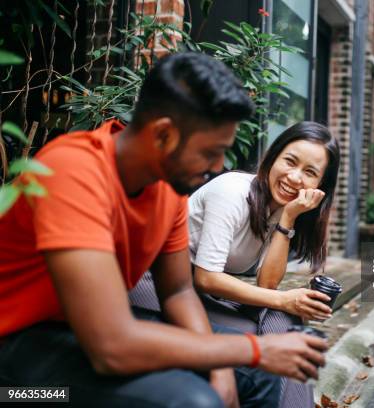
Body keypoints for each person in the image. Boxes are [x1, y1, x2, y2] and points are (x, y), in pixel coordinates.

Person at [0, 53, 327, 407]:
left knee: (260, 374)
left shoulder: (168, 188)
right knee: (191, 400)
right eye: (210, 152)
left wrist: (221, 364)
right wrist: (252, 348)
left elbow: (178, 292)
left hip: (88, 330)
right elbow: (111, 347)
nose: (218, 166)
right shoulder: (73, 172)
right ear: (163, 135)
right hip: (19, 352)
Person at [130, 121, 340, 407]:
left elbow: (267, 285)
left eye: (310, 172)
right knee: (274, 324)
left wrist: (288, 219)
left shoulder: (283, 208)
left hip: (192, 293)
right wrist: (285, 300)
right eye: (290, 161)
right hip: (155, 286)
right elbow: (207, 278)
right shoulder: (232, 192)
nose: (294, 177)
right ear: (273, 157)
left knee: (284, 322)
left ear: (320, 186)